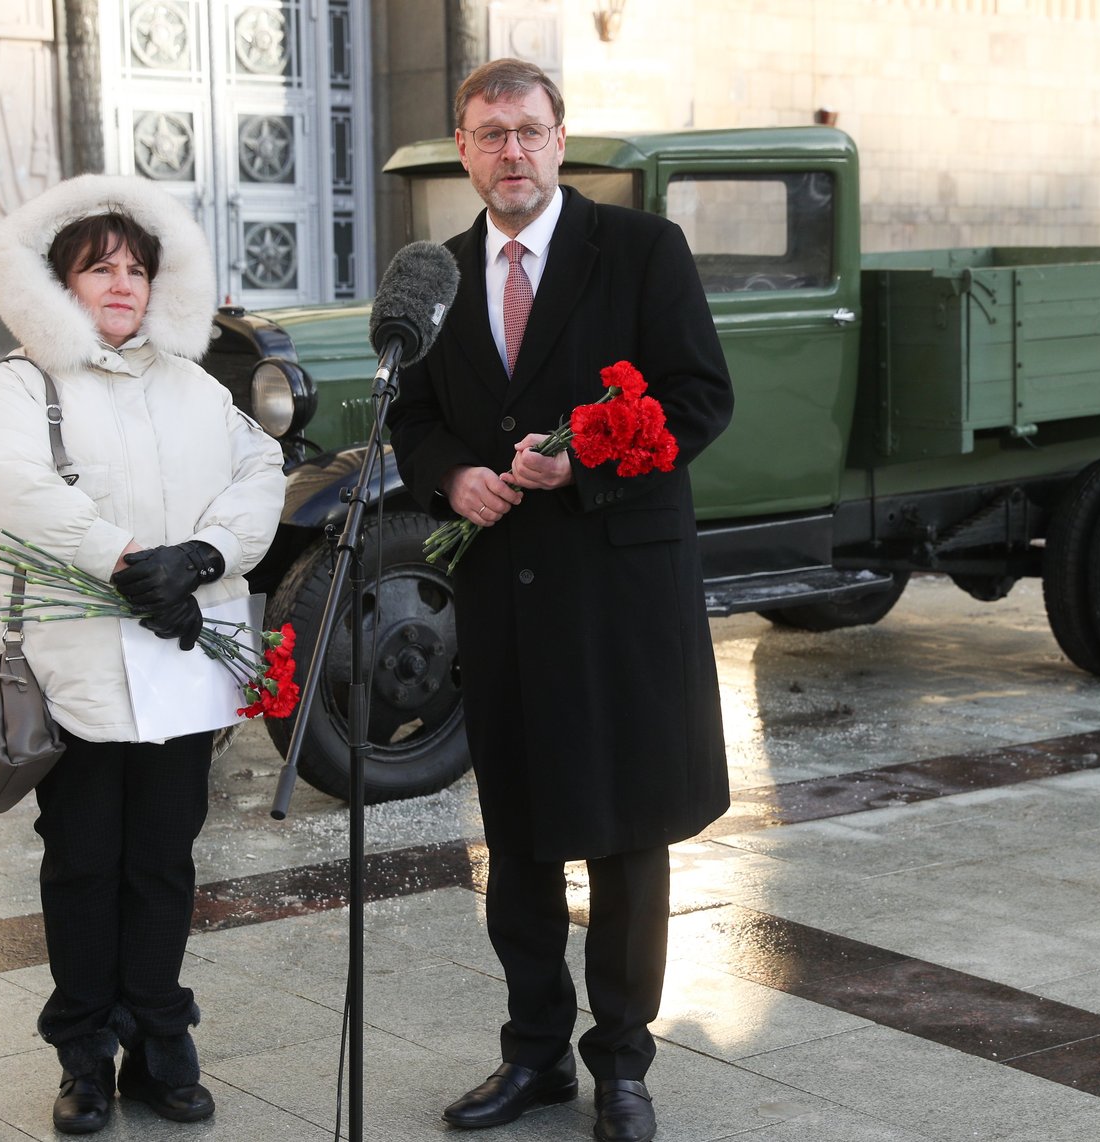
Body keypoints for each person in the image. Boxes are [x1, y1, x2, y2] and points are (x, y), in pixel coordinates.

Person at [389, 58, 734, 1142]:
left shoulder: (638, 251)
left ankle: (621, 1062)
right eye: (489, 134)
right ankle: (531, 1052)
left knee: (628, 839)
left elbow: (697, 399)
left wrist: (581, 457)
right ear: (463, 146)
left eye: (529, 131)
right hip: (505, 602)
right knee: (521, 840)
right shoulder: (436, 276)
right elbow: (414, 419)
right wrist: (451, 475)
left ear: (558, 136)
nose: (511, 152)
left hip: (619, 597)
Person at [0, 175, 284, 1134]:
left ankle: (158, 1036)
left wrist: (204, 556)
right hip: (79, 677)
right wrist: (122, 558)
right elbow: (8, 485)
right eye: (98, 268)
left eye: (137, 269)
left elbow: (260, 469)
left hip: (180, 674)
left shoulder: (193, 387)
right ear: (59, 285)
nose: (121, 285)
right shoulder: (23, 384)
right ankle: (84, 1055)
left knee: (164, 863)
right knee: (82, 863)